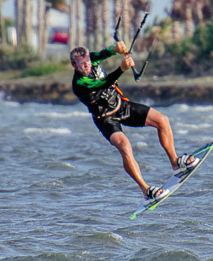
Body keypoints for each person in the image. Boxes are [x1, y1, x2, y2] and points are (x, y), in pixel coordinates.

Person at [70, 41, 197, 200]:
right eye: (81, 64)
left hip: (122, 106)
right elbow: (102, 83)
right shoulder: (80, 84)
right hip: (106, 120)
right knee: (125, 146)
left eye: (87, 62)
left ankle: (175, 162)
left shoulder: (91, 59)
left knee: (162, 120)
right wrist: (121, 69)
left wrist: (116, 48)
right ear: (74, 65)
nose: (86, 65)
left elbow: (105, 52)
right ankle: (146, 190)